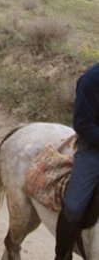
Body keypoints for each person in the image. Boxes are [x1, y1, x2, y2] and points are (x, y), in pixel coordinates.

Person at [55, 63, 99, 259]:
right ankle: (62, 255)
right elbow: (83, 124)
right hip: (94, 150)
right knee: (73, 207)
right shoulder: (91, 80)